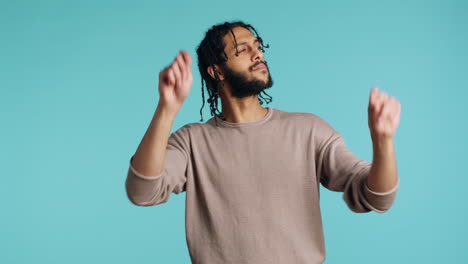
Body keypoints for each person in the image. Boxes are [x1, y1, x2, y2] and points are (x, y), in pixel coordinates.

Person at [125, 21, 401, 264]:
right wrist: (167, 109)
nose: (258, 53)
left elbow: (376, 196)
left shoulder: (308, 129)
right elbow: (142, 191)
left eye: (257, 46)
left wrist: (383, 142)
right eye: (242, 50)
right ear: (216, 72)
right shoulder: (191, 141)